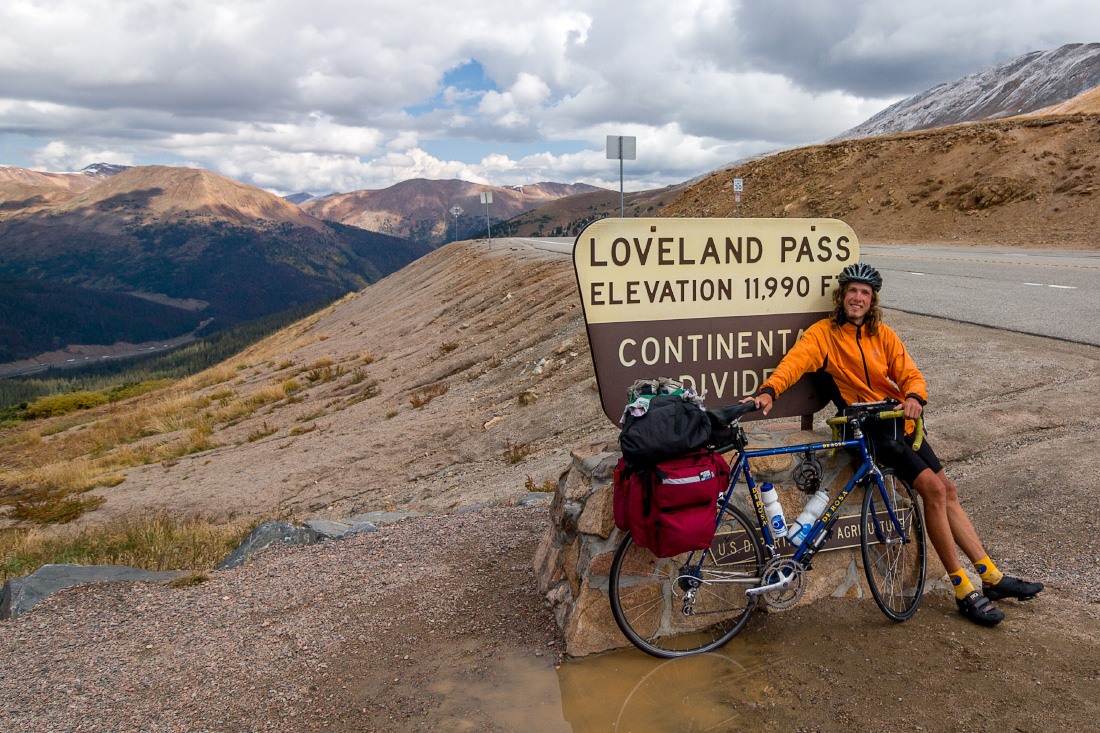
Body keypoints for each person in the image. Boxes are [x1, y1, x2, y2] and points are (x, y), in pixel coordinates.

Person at [743, 262, 1042, 626]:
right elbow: (794, 362)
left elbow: (909, 373)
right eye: (852, 291)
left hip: (899, 420)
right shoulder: (824, 334)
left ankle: (991, 576)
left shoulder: (882, 334)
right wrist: (770, 390)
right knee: (932, 489)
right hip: (868, 428)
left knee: (948, 489)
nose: (858, 298)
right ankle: (963, 587)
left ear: (872, 301)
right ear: (842, 296)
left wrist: (915, 395)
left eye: (865, 293)